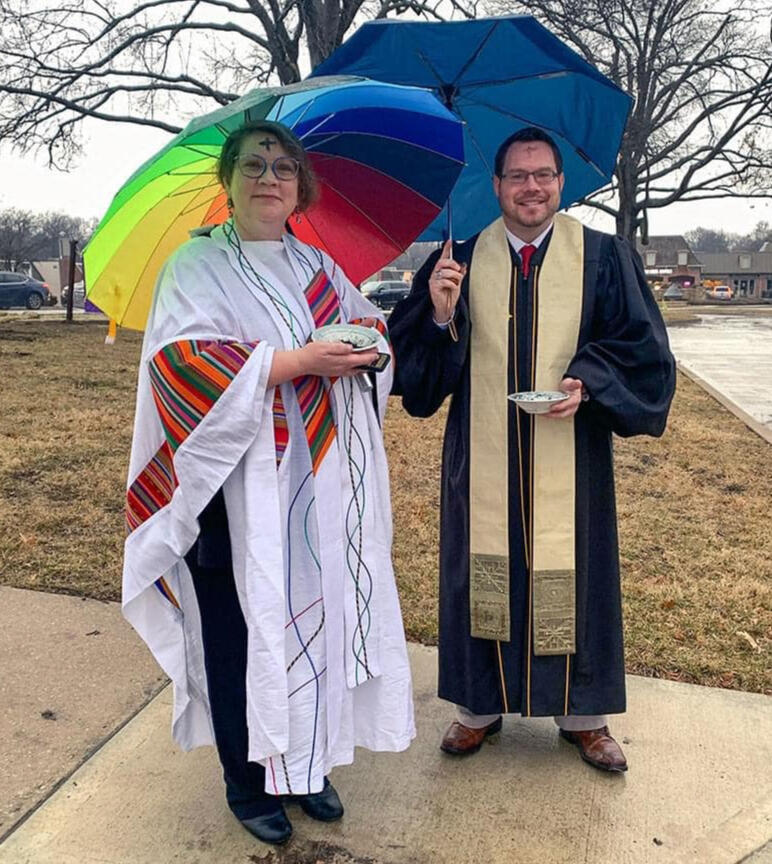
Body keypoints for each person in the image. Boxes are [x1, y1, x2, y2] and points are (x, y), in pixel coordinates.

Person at [123, 120, 414, 846]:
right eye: (253, 165)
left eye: (283, 167)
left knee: (312, 621)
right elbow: (180, 365)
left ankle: (306, 766)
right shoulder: (196, 267)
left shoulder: (316, 267)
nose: (268, 178)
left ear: (300, 187)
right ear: (228, 180)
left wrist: (371, 348)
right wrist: (293, 362)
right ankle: (246, 781)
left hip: (312, 488)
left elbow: (365, 324)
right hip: (228, 491)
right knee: (237, 634)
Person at [388, 126, 675, 773]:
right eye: (517, 176)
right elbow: (416, 375)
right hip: (480, 460)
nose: (531, 187)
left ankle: (584, 717)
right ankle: (477, 707)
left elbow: (644, 353)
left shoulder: (602, 256)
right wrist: (437, 316)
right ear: (496, 186)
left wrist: (590, 382)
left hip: (569, 462)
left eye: (542, 174)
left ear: (560, 182)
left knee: (571, 574)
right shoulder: (456, 259)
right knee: (481, 572)